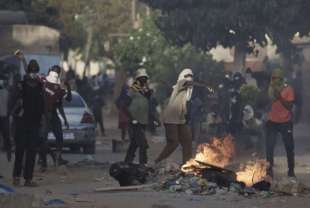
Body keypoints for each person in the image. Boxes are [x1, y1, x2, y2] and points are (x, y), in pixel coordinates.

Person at [12, 59, 45, 187]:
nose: (34, 74)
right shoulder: (22, 84)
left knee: (31, 152)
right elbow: (15, 101)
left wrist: (42, 119)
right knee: (20, 150)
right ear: (28, 71)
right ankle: (16, 177)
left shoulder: (40, 86)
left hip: (35, 123)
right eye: (32, 71)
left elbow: (42, 104)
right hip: (22, 122)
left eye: (35, 72)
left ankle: (28, 179)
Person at [155, 68, 194, 165]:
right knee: (173, 142)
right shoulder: (180, 84)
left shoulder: (187, 90)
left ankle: (187, 165)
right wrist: (206, 86)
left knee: (187, 140)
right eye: (186, 76)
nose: (189, 78)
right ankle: (158, 161)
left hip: (180, 119)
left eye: (191, 76)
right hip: (171, 118)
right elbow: (188, 83)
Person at [40, 65, 72, 171]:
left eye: (58, 72)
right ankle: (44, 161)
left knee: (59, 137)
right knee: (42, 140)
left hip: (53, 115)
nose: (56, 73)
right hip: (44, 115)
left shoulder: (59, 88)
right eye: (55, 71)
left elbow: (63, 103)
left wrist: (69, 87)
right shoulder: (44, 82)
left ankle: (57, 158)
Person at [266, 68, 295, 178]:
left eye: (277, 78)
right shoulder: (270, 89)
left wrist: (280, 97)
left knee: (289, 147)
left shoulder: (288, 89)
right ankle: (269, 172)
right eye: (273, 78)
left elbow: (290, 106)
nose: (275, 80)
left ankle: (291, 171)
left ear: (282, 78)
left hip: (285, 122)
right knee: (269, 147)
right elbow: (266, 103)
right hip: (272, 122)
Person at [124, 69, 153, 165]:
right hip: (135, 122)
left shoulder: (145, 91)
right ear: (137, 79)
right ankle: (142, 164)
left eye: (145, 79)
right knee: (143, 144)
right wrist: (132, 118)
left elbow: (148, 105)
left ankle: (127, 162)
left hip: (143, 121)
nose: (144, 80)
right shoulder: (133, 90)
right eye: (142, 79)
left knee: (134, 143)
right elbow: (124, 105)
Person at [0, 75, 11, 163]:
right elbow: (9, 105)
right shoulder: (6, 92)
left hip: (4, 117)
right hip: (5, 117)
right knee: (7, 137)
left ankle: (8, 153)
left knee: (6, 137)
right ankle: (9, 154)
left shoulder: (6, 92)